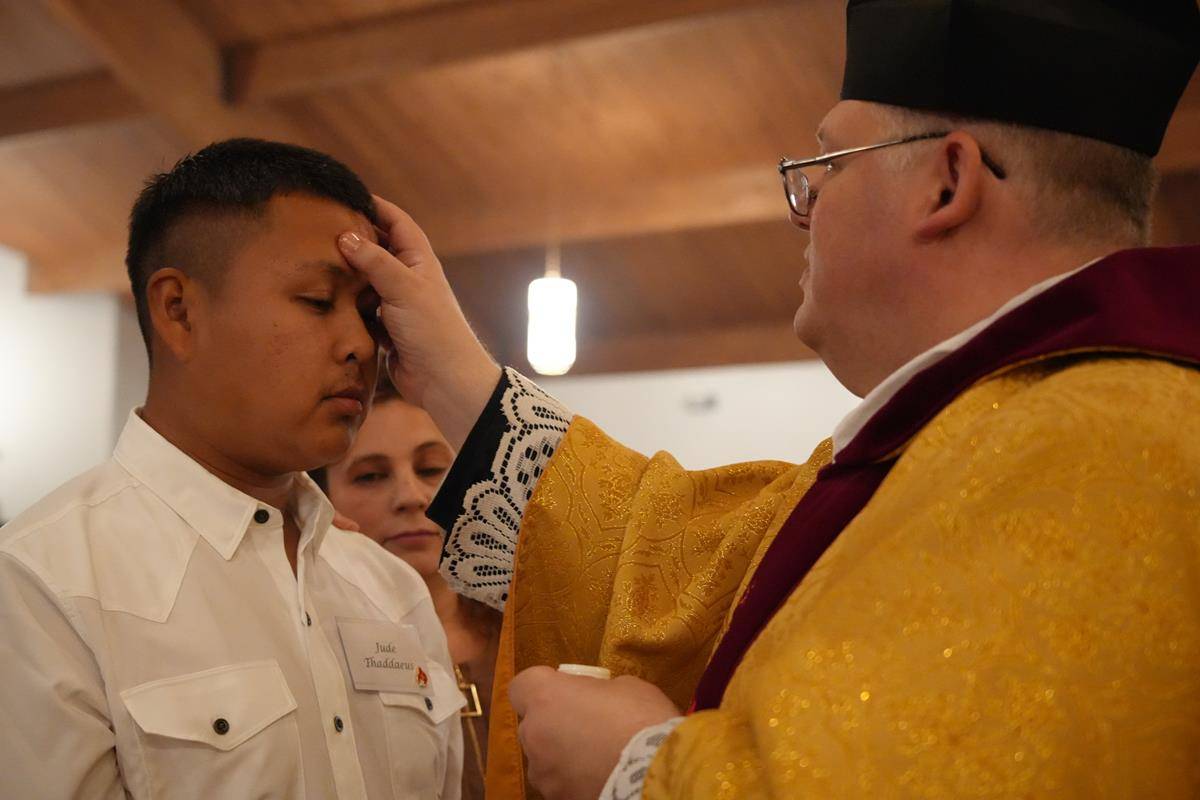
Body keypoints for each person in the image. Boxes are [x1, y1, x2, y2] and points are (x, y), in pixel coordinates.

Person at [336, 1, 1200, 798]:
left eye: (825, 163)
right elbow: (680, 554)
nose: (804, 206)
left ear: (947, 183)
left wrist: (645, 772)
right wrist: (451, 375)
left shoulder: (1114, 450)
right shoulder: (989, 426)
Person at [0, 139, 464, 799]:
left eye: (367, 313)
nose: (362, 344)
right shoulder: (45, 585)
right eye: (316, 301)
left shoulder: (388, 590)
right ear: (179, 312)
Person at [313, 377, 503, 800]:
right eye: (370, 476)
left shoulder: (532, 632)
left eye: (432, 469)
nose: (411, 496)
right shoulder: (313, 652)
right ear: (320, 500)